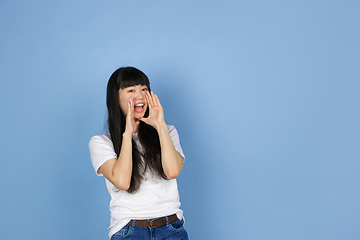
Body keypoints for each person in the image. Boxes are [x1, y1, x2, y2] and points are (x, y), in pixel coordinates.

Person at [89, 66, 188, 240]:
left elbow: (172, 171)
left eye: (144, 89)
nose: (140, 95)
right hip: (129, 231)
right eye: (131, 90)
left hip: (171, 228)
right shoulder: (101, 142)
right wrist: (127, 134)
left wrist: (160, 125)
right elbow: (123, 181)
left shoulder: (168, 131)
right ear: (115, 98)